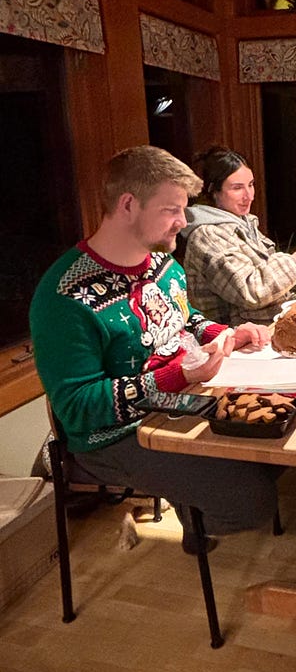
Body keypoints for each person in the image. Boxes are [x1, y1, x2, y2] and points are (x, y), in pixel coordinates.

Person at [30, 145, 280, 554]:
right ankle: (195, 507)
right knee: (250, 502)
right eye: (171, 210)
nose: (183, 223)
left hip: (181, 402)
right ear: (128, 205)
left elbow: (184, 319)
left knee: (275, 444)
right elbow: (76, 405)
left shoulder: (163, 266)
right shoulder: (64, 298)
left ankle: (193, 508)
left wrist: (226, 332)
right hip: (112, 435)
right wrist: (178, 376)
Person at [181, 146, 296, 325]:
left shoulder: (243, 223)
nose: (249, 196)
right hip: (235, 341)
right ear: (213, 190)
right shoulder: (207, 235)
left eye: (251, 185)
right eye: (237, 188)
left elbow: (269, 276)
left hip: (266, 331)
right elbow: (252, 291)